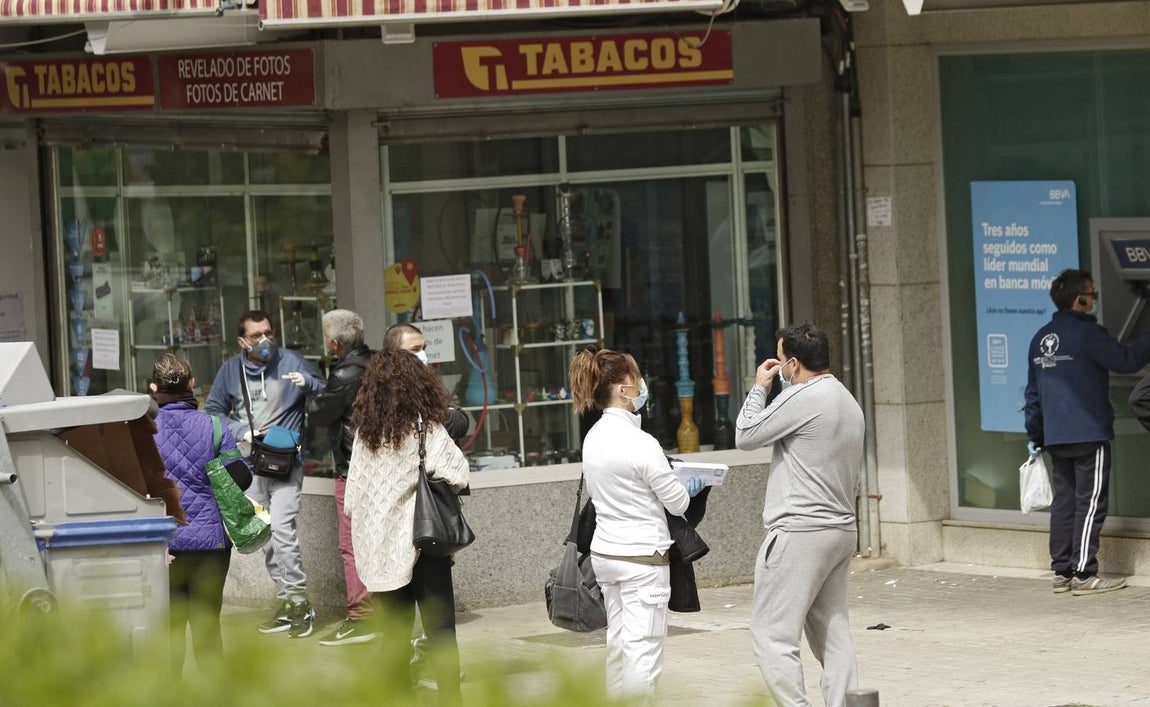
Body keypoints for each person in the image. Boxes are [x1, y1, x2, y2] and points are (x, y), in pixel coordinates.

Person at [734, 322, 864, 707]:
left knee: (773, 633)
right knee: (833, 631)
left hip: (800, 531)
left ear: (792, 364)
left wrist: (760, 387)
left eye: (780, 361)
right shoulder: (848, 401)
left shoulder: (804, 396)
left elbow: (745, 434)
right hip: (840, 528)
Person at [568, 347, 704, 704]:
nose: (643, 384)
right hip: (642, 558)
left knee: (618, 645)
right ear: (624, 389)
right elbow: (677, 502)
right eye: (637, 377)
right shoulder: (642, 443)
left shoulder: (593, 437)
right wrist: (690, 485)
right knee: (643, 653)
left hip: (606, 555)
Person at [344, 347, 469, 705]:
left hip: (382, 548)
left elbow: (352, 500)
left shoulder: (364, 436)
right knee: (441, 631)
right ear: (419, 385)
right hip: (424, 541)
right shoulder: (425, 427)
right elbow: (457, 472)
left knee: (395, 635)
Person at [1025, 269, 1150, 596]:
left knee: (1065, 503)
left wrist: (1037, 436)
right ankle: (1084, 573)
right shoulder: (1088, 335)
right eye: (1092, 295)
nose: (1095, 300)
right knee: (1090, 503)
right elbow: (1127, 360)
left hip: (1056, 436)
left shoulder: (1041, 338)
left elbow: (1032, 395)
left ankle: (1062, 571)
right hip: (1089, 433)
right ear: (1080, 300)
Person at [205, 310, 326, 638]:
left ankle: (301, 603)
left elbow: (325, 393)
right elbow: (212, 412)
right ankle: (287, 601)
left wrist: (309, 382)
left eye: (269, 332)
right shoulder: (230, 371)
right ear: (242, 341)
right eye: (256, 335)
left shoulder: (291, 361)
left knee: (283, 530)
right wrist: (242, 430)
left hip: (287, 463)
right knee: (266, 537)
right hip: (249, 465)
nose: (265, 341)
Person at [150, 353, 251, 673]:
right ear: (192, 384)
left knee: (169, 633)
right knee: (208, 630)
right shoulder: (216, 426)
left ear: (154, 388)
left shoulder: (143, 431)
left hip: (162, 545)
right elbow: (241, 479)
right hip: (210, 544)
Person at [306, 309, 376, 646]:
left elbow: (321, 413)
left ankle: (362, 618)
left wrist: (312, 392)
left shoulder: (346, 373)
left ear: (335, 344)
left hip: (354, 470)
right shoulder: (379, 363)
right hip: (381, 467)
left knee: (352, 546)